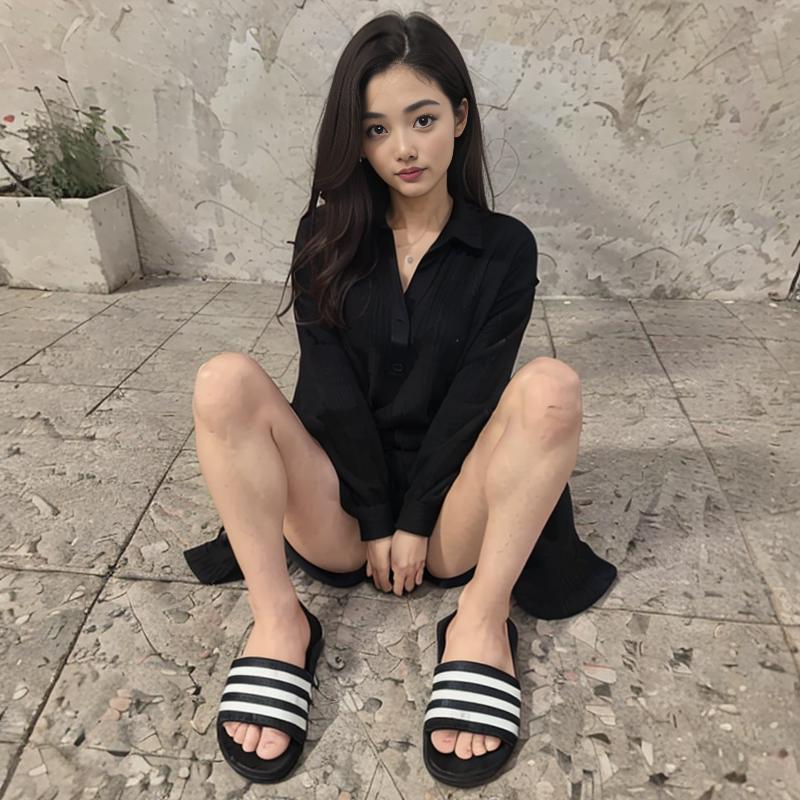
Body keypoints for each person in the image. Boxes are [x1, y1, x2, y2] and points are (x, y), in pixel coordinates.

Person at [184, 10, 617, 789]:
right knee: (223, 381)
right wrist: (378, 518)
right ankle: (279, 622)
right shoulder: (325, 236)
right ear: (356, 141)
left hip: (452, 520)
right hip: (339, 508)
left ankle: (480, 624)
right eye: (377, 129)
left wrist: (416, 520)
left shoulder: (506, 249)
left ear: (459, 117)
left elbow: (474, 400)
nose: (404, 149)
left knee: (552, 389)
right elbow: (331, 390)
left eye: (422, 120)